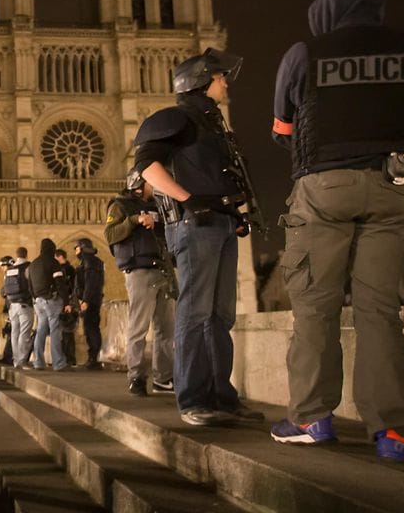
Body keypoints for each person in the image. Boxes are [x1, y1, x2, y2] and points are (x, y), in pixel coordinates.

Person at [268, 0, 404, 463]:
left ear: (328, 9)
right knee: (381, 313)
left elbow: (282, 129)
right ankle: (396, 434)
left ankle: (309, 418)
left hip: (323, 189)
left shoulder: (305, 53)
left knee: (314, 309)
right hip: (395, 186)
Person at [133, 48, 263, 426]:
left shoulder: (213, 124)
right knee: (194, 311)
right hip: (194, 226)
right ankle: (192, 400)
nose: (225, 84)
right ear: (202, 80)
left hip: (220, 224)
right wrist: (187, 200)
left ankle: (222, 396)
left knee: (220, 315)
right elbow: (145, 166)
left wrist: (234, 215)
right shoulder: (179, 118)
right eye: (221, 77)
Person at [105, 170, 175, 396]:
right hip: (139, 271)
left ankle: (163, 378)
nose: (156, 184)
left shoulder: (160, 205)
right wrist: (135, 220)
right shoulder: (120, 205)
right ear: (138, 183)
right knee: (139, 327)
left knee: (166, 329)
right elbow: (110, 234)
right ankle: (136, 376)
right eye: (151, 181)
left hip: (163, 269)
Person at [27, 238, 70, 371]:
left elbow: (29, 285)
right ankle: (58, 363)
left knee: (41, 330)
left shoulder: (33, 264)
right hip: (51, 300)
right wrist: (66, 301)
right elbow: (59, 283)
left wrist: (35, 298)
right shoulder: (53, 262)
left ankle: (38, 362)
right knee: (55, 330)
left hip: (38, 301)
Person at [73, 238, 105, 370]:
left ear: (82, 248)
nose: (75, 250)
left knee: (91, 328)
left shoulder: (89, 262)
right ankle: (93, 358)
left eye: (76, 248)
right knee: (91, 328)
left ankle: (93, 359)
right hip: (93, 299)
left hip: (91, 300)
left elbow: (90, 282)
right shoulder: (91, 261)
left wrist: (85, 300)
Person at [4, 246, 35, 369]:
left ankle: (16, 360)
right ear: (26, 255)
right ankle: (22, 360)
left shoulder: (10, 269)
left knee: (14, 333)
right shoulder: (28, 267)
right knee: (25, 332)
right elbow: (32, 284)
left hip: (12, 305)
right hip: (24, 304)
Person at [54, 249, 78, 367]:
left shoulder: (67, 269)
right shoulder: (70, 269)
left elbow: (71, 287)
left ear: (59, 257)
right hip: (66, 301)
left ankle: (69, 358)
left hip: (66, 302)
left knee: (67, 331)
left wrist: (68, 302)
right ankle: (67, 358)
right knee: (64, 332)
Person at [0, 256, 15, 365]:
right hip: (11, 307)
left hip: (13, 308)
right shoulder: (8, 275)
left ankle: (9, 357)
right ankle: (7, 356)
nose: (2, 268)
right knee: (10, 333)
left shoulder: (11, 274)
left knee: (12, 333)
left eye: (2, 266)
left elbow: (4, 291)